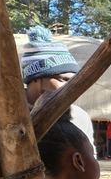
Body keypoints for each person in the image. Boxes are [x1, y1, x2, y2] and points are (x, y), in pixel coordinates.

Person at [20, 25, 96, 156]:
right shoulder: (4, 115)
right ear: (36, 78)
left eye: (73, 82)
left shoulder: (79, 116)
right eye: (63, 80)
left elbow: (90, 160)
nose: (71, 88)